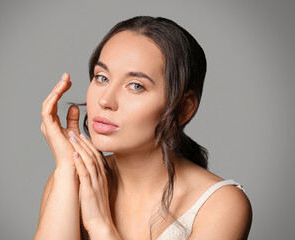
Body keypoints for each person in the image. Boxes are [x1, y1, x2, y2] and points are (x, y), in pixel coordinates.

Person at [34, 16, 252, 240]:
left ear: (183, 109)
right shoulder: (68, 176)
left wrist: (101, 225)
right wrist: (68, 170)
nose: (105, 100)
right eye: (102, 78)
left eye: (136, 86)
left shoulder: (220, 204)